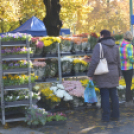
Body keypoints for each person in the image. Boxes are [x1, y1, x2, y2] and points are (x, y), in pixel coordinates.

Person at [87, 30, 121, 122]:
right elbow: (118, 61)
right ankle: (116, 115)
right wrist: (119, 73)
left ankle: (106, 117)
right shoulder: (115, 46)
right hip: (114, 72)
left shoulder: (99, 46)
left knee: (104, 94)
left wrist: (90, 74)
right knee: (114, 94)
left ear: (102, 36)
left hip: (103, 73)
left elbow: (94, 61)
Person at [119, 31, 134, 107]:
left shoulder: (121, 45)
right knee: (129, 84)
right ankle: (128, 101)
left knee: (127, 83)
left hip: (122, 67)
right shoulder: (129, 46)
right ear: (130, 37)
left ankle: (130, 99)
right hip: (129, 67)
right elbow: (131, 58)